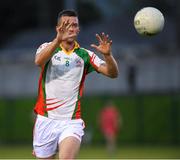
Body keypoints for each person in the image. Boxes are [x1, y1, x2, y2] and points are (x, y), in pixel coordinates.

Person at [33, 9, 119, 159]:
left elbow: (112, 73)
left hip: (71, 122)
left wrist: (108, 56)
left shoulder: (85, 55)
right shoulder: (47, 48)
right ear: (58, 28)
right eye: (67, 25)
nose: (72, 28)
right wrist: (57, 40)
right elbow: (39, 61)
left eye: (75, 25)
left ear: (78, 29)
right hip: (45, 120)